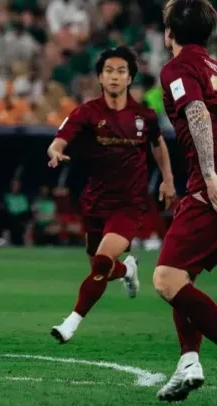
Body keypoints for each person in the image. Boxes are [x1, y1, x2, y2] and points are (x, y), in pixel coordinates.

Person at [46, 46, 175, 344]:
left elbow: (158, 144)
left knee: (102, 261)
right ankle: (127, 269)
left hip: (129, 204)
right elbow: (59, 139)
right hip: (95, 201)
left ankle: (71, 323)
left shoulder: (144, 115)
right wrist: (55, 152)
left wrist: (167, 180)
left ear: (130, 78)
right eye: (108, 71)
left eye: (120, 71)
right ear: (100, 78)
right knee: (99, 265)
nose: (114, 76)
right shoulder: (87, 112)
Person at [154, 0, 217, 402]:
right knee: (184, 275)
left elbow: (196, 113)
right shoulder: (213, 67)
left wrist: (209, 174)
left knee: (167, 278)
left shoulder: (177, 68)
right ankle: (189, 362)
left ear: (168, 33)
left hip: (208, 187)